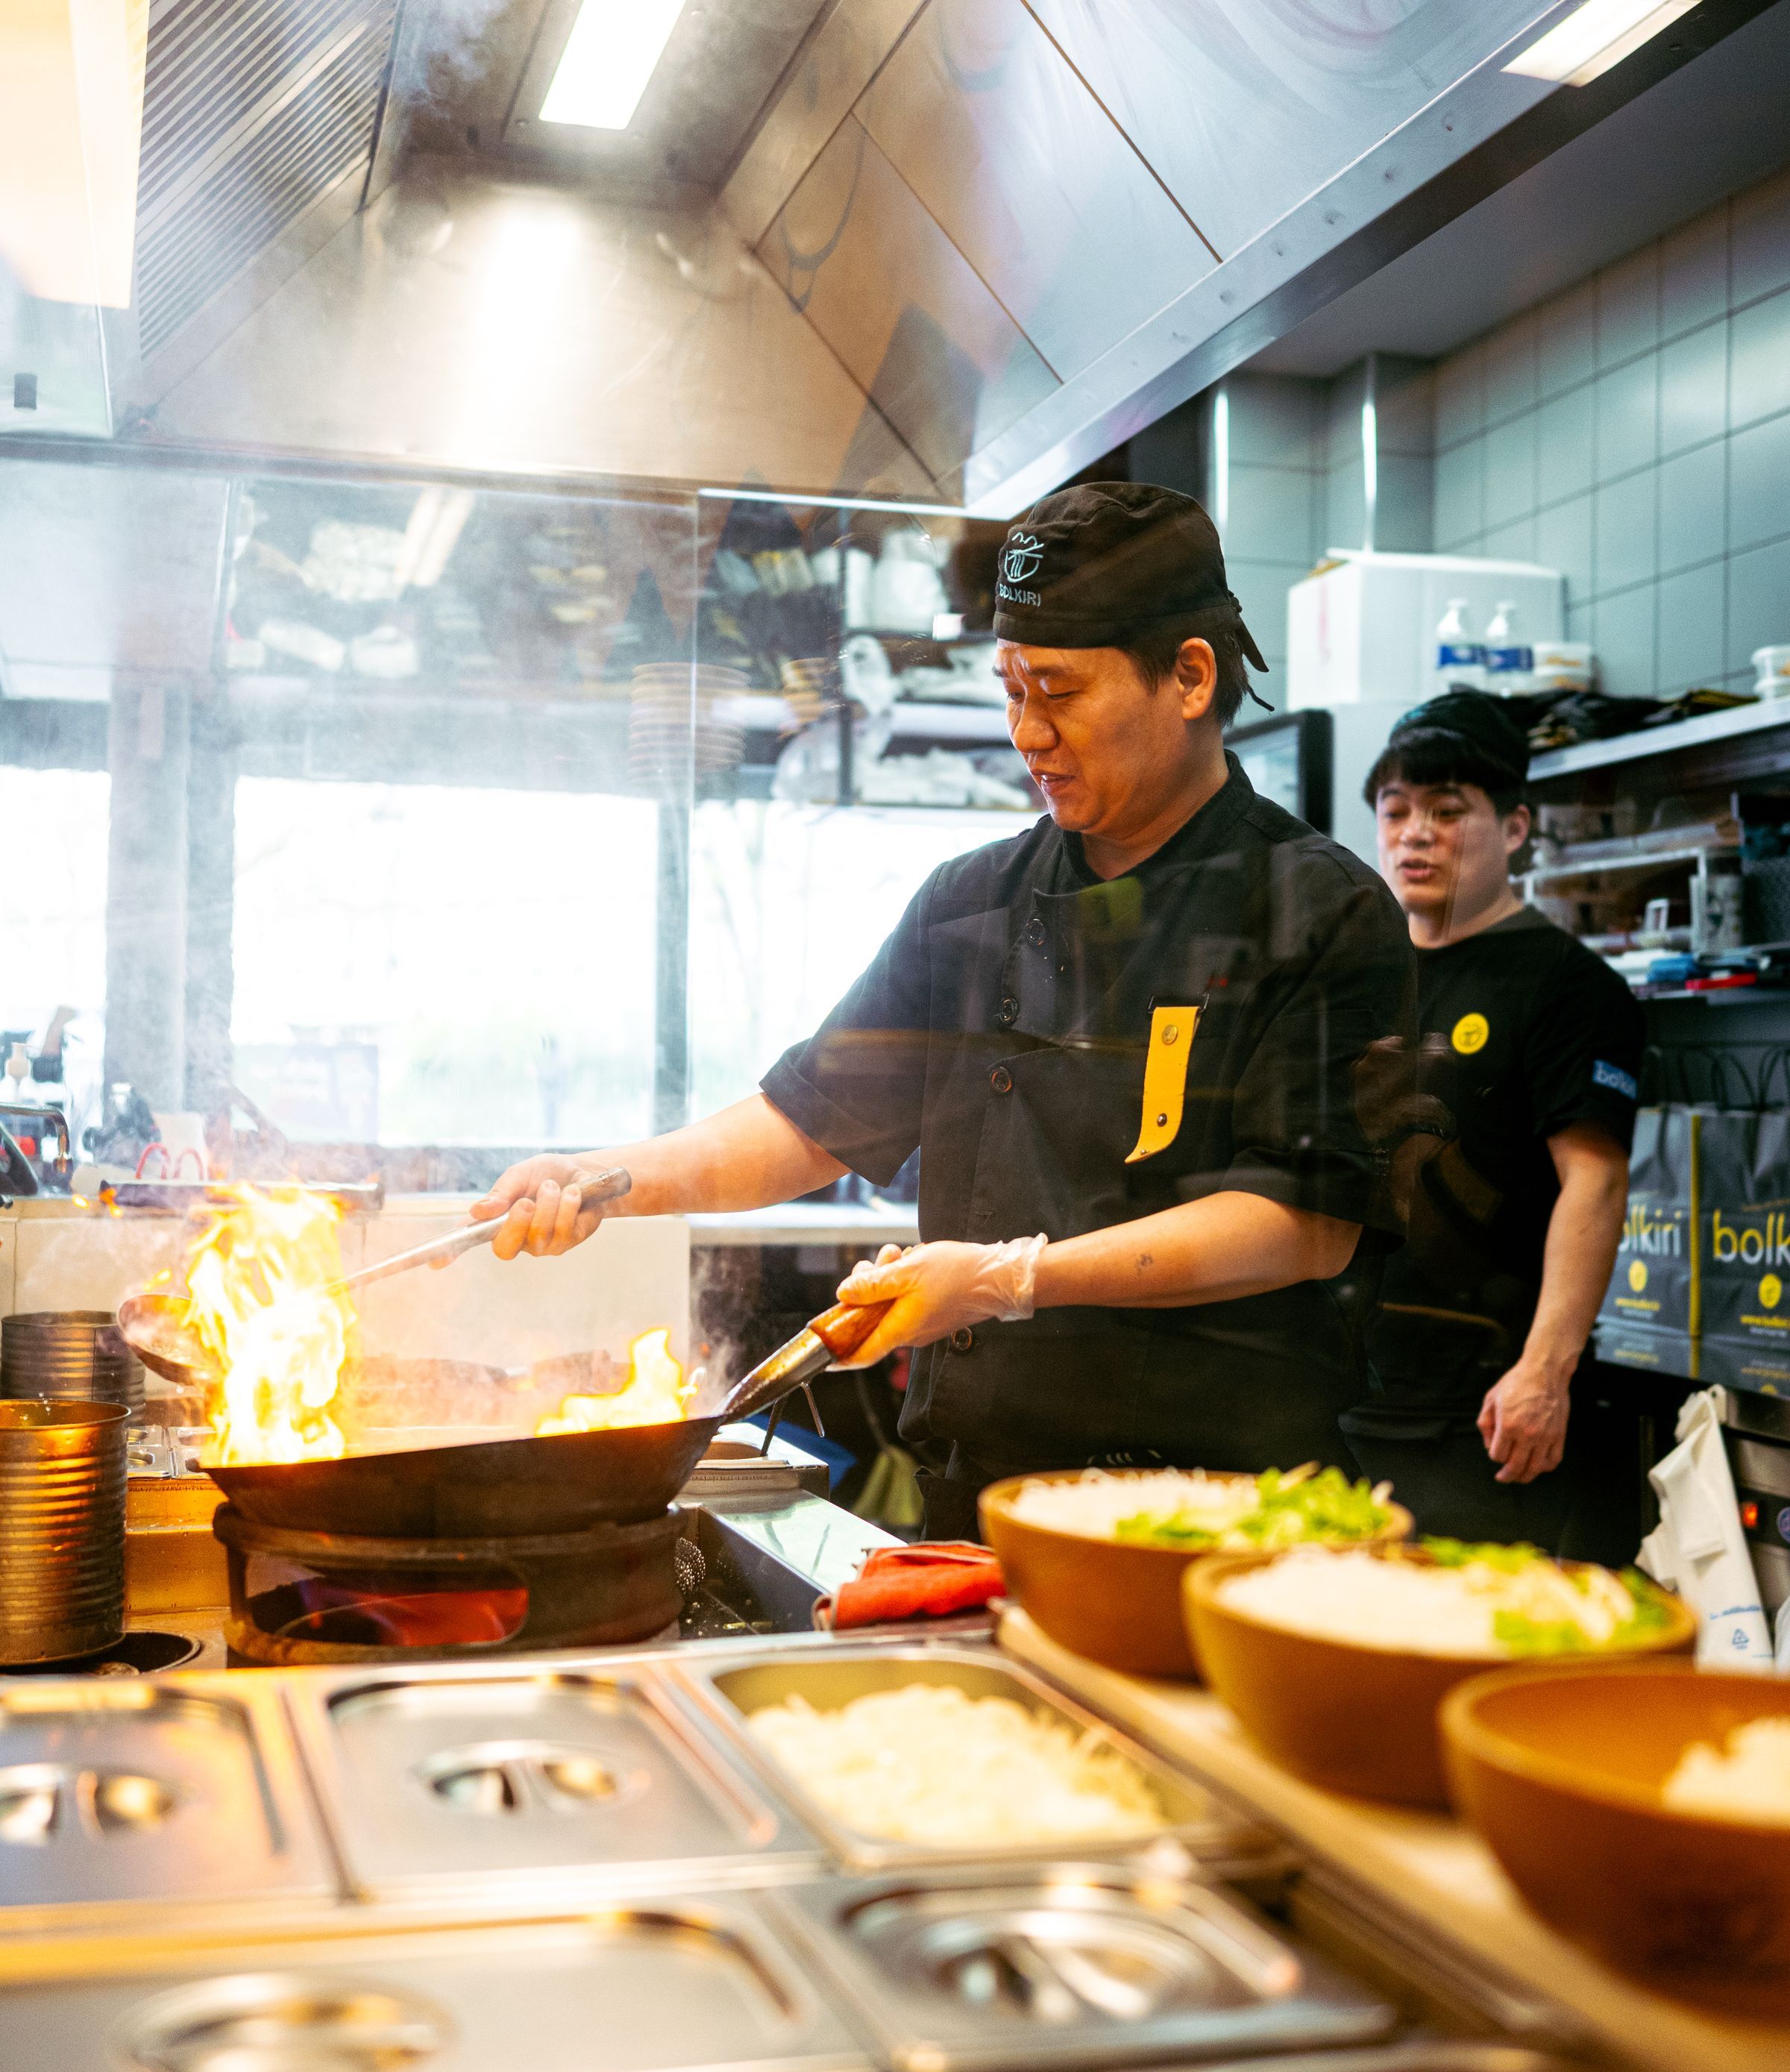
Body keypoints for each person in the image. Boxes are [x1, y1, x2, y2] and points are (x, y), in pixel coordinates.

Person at [475, 484, 1414, 1539]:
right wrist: (604, 1181)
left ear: (1191, 676)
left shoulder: (1318, 910)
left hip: (1226, 1521)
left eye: (1059, 690)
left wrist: (1008, 1279)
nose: (1028, 733)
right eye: (1011, 690)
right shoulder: (972, 904)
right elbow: (808, 1121)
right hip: (979, 1507)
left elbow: (1301, 1225)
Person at [1340, 690, 1645, 1563]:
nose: (1415, 835)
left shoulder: (1568, 987)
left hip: (1484, 1409)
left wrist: (1546, 1370)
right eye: (1395, 811)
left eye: (1447, 811)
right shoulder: (1358, 977)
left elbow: (1596, 1180)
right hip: (1348, 1391)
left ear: (1514, 828)